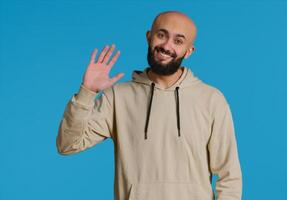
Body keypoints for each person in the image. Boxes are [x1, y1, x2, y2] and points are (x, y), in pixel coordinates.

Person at [56, 10, 243, 200]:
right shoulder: (118, 97)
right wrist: (87, 92)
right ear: (149, 37)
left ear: (189, 51)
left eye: (178, 41)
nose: (166, 46)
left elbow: (230, 177)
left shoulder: (211, 100)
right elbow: (68, 145)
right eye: (161, 35)